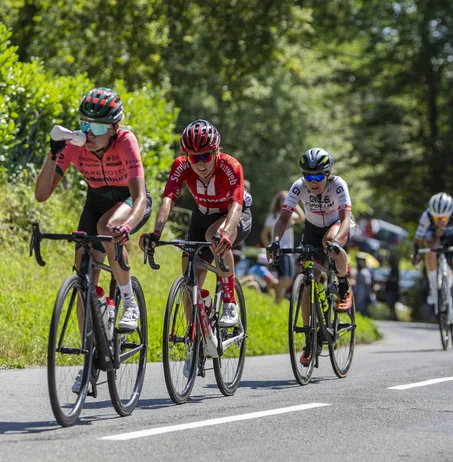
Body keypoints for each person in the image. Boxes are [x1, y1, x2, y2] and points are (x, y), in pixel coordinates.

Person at [34, 87, 153, 392]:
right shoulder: (75, 145)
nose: (90, 132)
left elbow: (140, 197)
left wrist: (127, 225)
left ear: (115, 127)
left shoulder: (126, 141)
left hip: (130, 201)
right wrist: (54, 152)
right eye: (85, 124)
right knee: (83, 269)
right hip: (96, 200)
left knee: (109, 225)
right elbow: (42, 194)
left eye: (98, 127)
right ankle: (90, 356)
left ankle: (128, 302)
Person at [140, 119, 251, 376]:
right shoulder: (181, 166)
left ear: (216, 152)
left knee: (215, 236)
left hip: (234, 215)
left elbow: (236, 205)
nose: (200, 163)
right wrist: (156, 232)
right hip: (201, 215)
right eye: (193, 158)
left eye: (205, 156)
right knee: (189, 276)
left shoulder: (230, 165)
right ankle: (195, 340)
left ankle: (230, 301)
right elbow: (168, 198)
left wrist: (226, 232)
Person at [267, 148, 356, 365]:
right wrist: (276, 241)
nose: (313, 181)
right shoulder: (298, 187)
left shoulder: (338, 185)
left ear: (328, 174)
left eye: (318, 176)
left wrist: (336, 241)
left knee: (329, 241)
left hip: (338, 226)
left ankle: (343, 286)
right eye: (308, 176)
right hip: (312, 228)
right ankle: (310, 339)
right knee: (308, 279)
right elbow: (283, 218)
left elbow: (345, 219)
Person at [410, 192, 453, 337]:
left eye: (444, 218)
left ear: (449, 214)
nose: (440, 220)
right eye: (437, 218)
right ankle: (434, 289)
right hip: (436, 237)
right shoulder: (427, 216)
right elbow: (416, 242)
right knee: (430, 250)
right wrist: (415, 254)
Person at [261, 190, 305, 303]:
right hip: (280, 250)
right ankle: (278, 302)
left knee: (289, 280)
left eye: (287, 199)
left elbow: (302, 218)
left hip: (289, 251)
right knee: (283, 278)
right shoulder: (274, 216)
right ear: (278, 202)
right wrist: (269, 248)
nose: (285, 201)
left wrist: (294, 203)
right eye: (283, 199)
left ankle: (273, 286)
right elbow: (264, 235)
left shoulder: (290, 215)